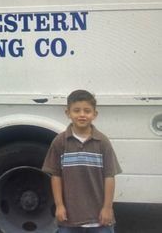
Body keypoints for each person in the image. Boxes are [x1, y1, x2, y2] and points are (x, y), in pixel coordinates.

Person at [42, 90, 122, 233]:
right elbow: (56, 176)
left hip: (100, 219)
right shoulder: (60, 142)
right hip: (69, 219)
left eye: (87, 111)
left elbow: (109, 176)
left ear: (95, 114)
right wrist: (59, 206)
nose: (82, 115)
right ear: (68, 113)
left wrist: (107, 208)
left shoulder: (103, 142)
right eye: (76, 110)